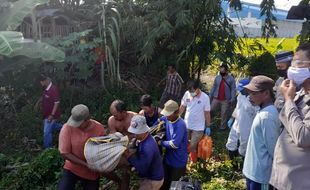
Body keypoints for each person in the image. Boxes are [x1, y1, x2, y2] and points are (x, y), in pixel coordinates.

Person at [270, 43, 310, 190]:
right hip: (282, 179)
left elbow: (303, 137)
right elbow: (283, 115)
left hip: (298, 182)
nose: (292, 68)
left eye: (298, 63)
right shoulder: (299, 93)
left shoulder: (293, 96)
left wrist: (288, 100)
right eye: (293, 63)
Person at [242, 76, 281, 190]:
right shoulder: (262, 111)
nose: (250, 97)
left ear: (266, 93)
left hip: (261, 176)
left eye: (254, 94)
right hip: (253, 172)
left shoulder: (267, 116)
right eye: (249, 93)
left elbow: (273, 150)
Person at [58, 104, 105, 190]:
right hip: (72, 168)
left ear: (87, 119)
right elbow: (64, 152)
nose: (76, 125)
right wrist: (85, 164)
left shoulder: (99, 129)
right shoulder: (67, 127)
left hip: (92, 172)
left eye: (79, 123)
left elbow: (102, 150)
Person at [124, 115, 164, 190]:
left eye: (136, 133)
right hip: (149, 175)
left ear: (143, 131)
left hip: (153, 180)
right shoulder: (145, 138)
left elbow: (142, 168)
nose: (134, 134)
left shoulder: (148, 147)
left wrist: (129, 156)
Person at [226, 78, 259, 163]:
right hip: (237, 122)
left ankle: (241, 164)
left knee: (244, 145)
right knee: (231, 142)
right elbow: (238, 108)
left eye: (242, 89)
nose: (240, 91)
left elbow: (257, 114)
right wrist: (232, 118)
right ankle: (232, 163)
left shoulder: (254, 99)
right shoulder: (240, 96)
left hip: (247, 125)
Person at [179, 80, 211, 163]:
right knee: (184, 143)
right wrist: (177, 118)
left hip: (198, 127)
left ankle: (192, 163)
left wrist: (208, 126)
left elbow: (207, 113)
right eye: (190, 91)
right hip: (186, 124)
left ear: (197, 89)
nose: (191, 93)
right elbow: (182, 107)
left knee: (192, 146)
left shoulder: (205, 98)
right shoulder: (187, 94)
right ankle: (184, 161)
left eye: (192, 91)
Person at [158, 100, 188, 190]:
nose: (166, 116)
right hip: (168, 159)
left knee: (175, 186)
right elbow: (159, 121)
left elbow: (175, 144)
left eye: (168, 114)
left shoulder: (180, 124)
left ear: (176, 112)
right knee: (164, 183)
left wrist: (160, 142)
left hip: (178, 162)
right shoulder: (167, 119)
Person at [108, 99, 136, 190]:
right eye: (113, 114)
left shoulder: (134, 118)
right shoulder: (112, 120)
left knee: (125, 170)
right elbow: (114, 138)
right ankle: (119, 182)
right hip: (119, 147)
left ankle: (124, 184)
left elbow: (141, 136)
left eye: (115, 115)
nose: (114, 116)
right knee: (103, 168)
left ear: (123, 112)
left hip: (134, 147)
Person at [35, 74, 62, 149]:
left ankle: (48, 149)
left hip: (51, 115)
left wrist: (52, 115)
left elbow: (57, 103)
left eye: (41, 81)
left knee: (46, 132)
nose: (41, 83)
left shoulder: (53, 89)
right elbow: (43, 96)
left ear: (46, 80)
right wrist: (38, 103)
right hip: (46, 114)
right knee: (53, 127)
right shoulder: (46, 88)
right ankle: (66, 127)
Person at [209, 63, 236, 130]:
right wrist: (210, 95)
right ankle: (208, 123)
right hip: (216, 98)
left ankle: (222, 127)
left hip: (225, 99)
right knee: (210, 109)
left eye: (223, 71)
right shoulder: (217, 78)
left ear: (226, 71)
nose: (221, 72)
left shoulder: (231, 79)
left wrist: (232, 98)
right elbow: (214, 87)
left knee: (224, 113)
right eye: (220, 71)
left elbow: (233, 89)